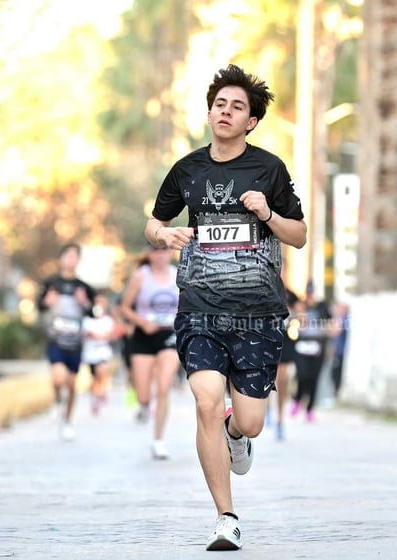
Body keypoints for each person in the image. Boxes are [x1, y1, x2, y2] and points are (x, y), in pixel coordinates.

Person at [144, 64, 306, 551]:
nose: (226, 112)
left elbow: (298, 236)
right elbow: (154, 224)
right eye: (220, 104)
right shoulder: (187, 169)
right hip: (200, 310)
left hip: (257, 313)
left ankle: (240, 433)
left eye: (237, 106)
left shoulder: (269, 169)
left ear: (251, 120)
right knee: (207, 403)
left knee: (249, 420)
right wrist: (165, 233)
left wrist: (268, 212)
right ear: (210, 112)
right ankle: (226, 516)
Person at [119, 244, 181, 460]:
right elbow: (124, 308)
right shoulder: (140, 276)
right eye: (156, 250)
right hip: (144, 336)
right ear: (148, 254)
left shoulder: (178, 275)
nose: (160, 254)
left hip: (169, 335)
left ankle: (158, 440)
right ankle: (144, 406)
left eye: (164, 250)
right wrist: (142, 323)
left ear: (170, 252)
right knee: (144, 395)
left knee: (164, 386)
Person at [37, 242, 96, 441]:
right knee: (58, 378)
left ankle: (67, 422)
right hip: (55, 340)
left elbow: (93, 312)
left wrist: (84, 302)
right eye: (68, 255)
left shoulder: (84, 287)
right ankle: (56, 402)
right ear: (61, 258)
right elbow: (39, 306)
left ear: (78, 261)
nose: (71, 259)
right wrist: (47, 302)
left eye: (75, 256)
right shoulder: (50, 283)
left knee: (71, 385)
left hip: (75, 343)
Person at [289, 282, 332, 423]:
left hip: (317, 346)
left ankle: (309, 409)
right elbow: (293, 322)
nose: (310, 296)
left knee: (314, 378)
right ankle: (298, 399)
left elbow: (331, 324)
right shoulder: (301, 306)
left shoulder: (322, 307)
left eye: (312, 292)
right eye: (308, 293)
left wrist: (326, 331)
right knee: (303, 375)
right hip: (302, 345)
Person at [271, 288, 300, 441]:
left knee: (282, 382)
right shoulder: (268, 288)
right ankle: (267, 408)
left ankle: (280, 419)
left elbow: (301, 317)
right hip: (268, 340)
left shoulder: (292, 295)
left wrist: (293, 317)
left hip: (285, 343)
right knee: (267, 381)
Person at [82, 294, 117, 415]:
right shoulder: (87, 320)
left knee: (102, 372)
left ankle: (103, 390)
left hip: (103, 351)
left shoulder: (108, 320)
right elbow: (86, 334)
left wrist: (100, 335)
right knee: (95, 377)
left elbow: (111, 335)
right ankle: (95, 397)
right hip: (90, 353)